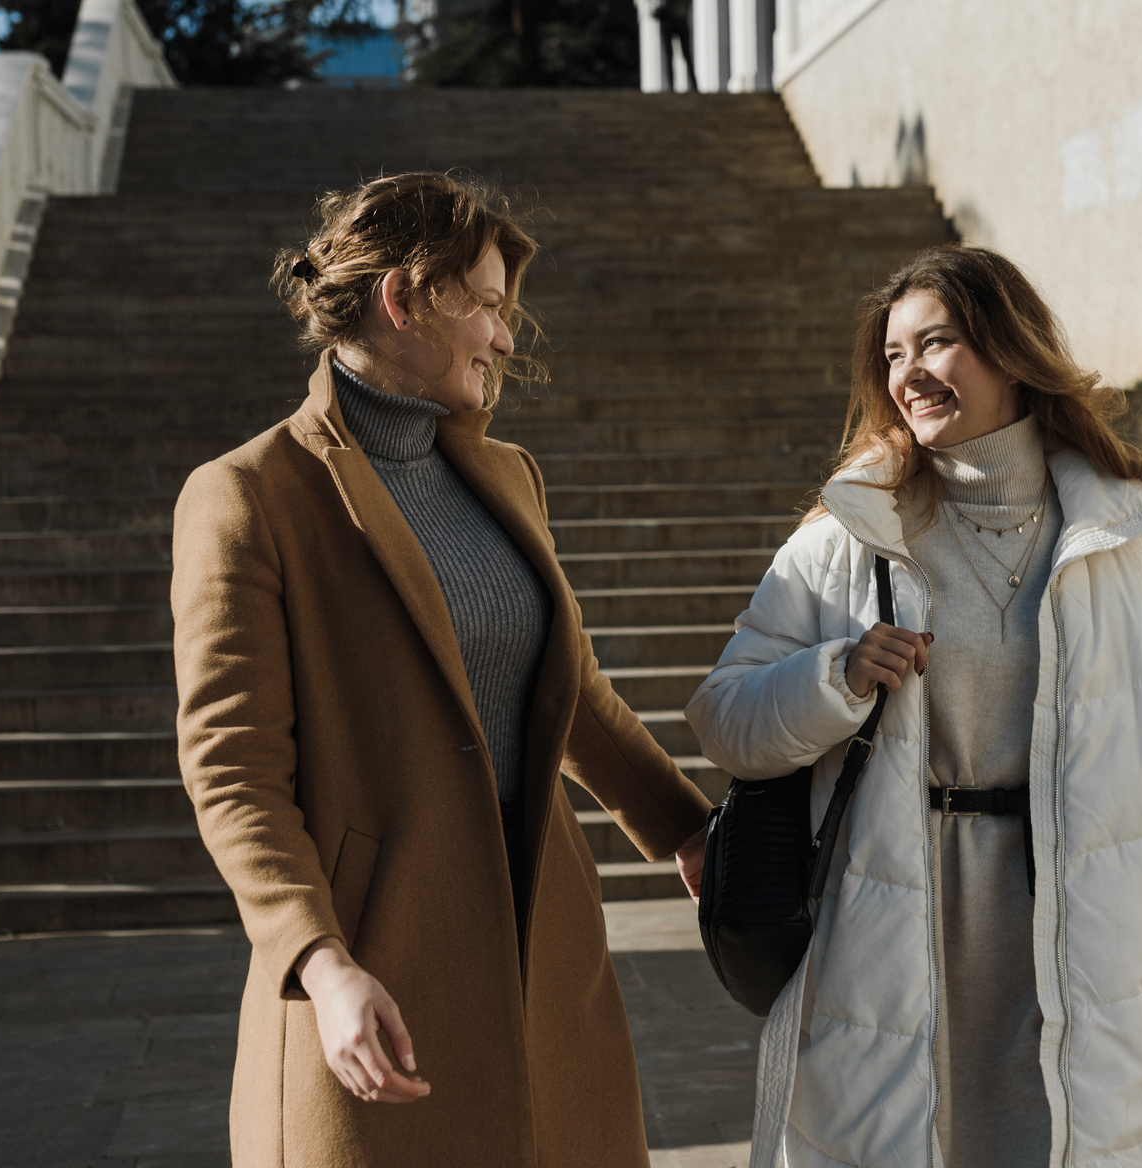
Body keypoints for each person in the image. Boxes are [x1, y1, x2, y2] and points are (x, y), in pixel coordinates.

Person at [172, 171, 713, 1168]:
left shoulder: (508, 473)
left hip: (544, 963)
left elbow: (574, 696)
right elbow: (233, 768)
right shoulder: (248, 495)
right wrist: (321, 963)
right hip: (374, 975)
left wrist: (691, 831)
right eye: (490, 305)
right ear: (404, 297)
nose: (506, 338)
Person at [685, 244, 1142, 1168]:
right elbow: (723, 717)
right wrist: (835, 676)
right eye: (891, 355)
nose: (907, 373)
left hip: (1082, 932)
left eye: (937, 343)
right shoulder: (850, 533)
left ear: (1010, 350)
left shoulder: (1115, 540)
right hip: (898, 925)